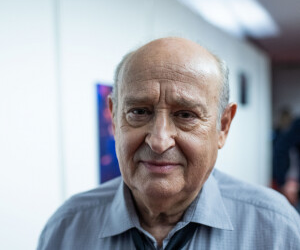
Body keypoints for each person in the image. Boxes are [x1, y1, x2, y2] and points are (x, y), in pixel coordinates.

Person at [37, 37, 300, 249]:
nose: (159, 141)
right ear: (115, 120)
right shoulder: (66, 229)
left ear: (222, 126)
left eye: (185, 115)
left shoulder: (276, 229)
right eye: (139, 112)